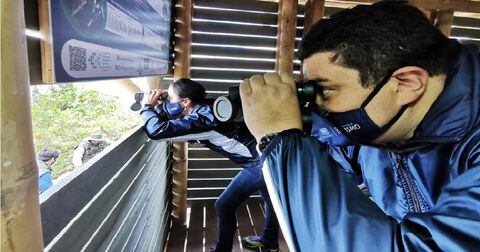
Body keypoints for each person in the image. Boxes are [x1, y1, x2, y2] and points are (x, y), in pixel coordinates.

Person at [239, 1, 479, 251]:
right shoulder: (379, 131)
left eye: (326, 89)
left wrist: (281, 140)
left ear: (406, 83)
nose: (317, 105)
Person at [140, 78, 280, 252]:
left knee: (224, 205)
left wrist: (147, 107)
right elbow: (171, 122)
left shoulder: (205, 119)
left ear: (185, 102)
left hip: (261, 162)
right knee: (270, 199)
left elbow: (157, 131)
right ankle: (270, 242)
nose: (167, 101)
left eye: (169, 97)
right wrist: (160, 105)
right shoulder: (206, 107)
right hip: (265, 156)